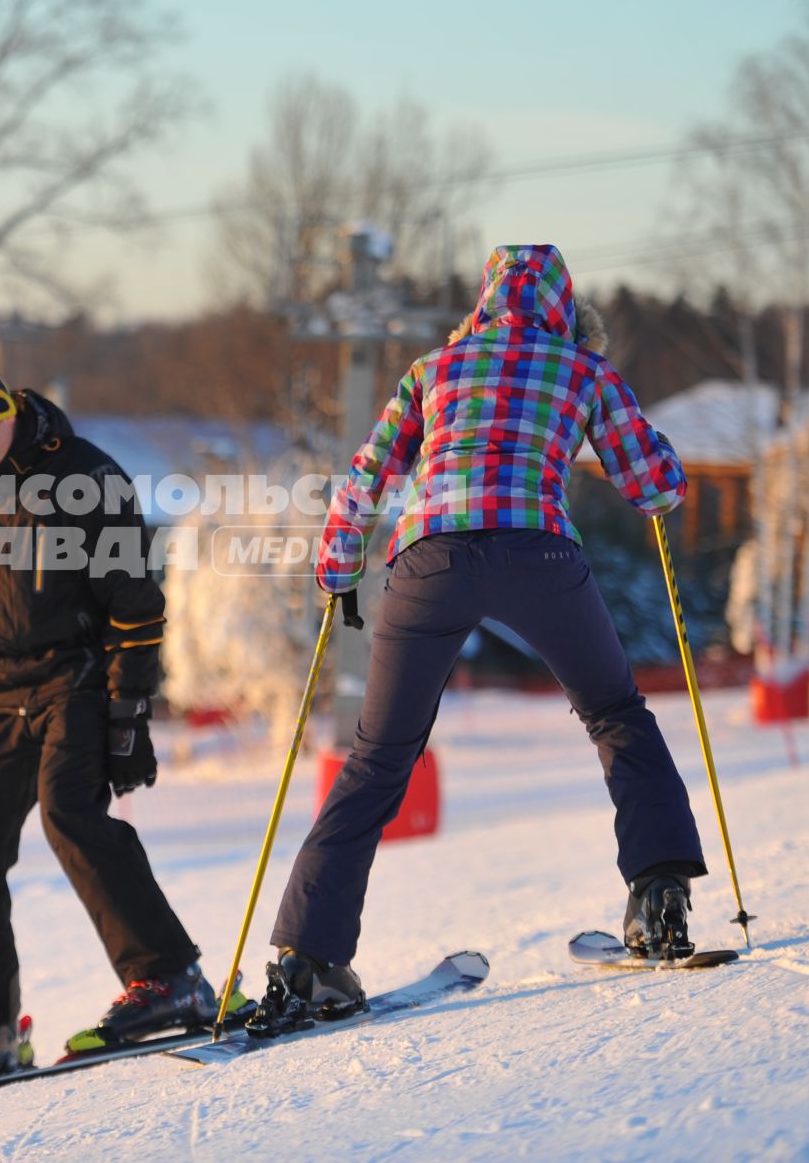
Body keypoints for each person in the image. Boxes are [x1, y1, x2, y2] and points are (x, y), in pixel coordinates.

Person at [253, 244, 709, 1031]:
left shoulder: (434, 367)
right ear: (566, 308)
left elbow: (365, 475)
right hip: (538, 551)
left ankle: (307, 960)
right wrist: (658, 460)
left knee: (378, 756)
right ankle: (659, 897)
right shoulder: (581, 369)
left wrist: (337, 567)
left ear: (486, 299)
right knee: (616, 714)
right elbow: (654, 484)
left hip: (431, 558)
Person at [0, 360, 237, 1087]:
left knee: (70, 815)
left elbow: (136, 604)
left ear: (10, 411)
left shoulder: (86, 476)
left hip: (79, 684)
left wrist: (129, 710)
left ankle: (168, 976)